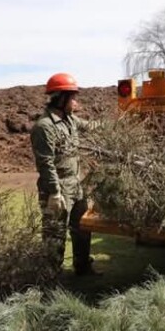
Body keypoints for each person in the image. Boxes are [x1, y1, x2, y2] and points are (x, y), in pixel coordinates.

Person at [30, 72, 100, 276]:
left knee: (82, 230)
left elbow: (91, 127)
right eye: (73, 97)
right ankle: (51, 276)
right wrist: (54, 193)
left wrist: (119, 124)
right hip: (58, 189)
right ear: (61, 98)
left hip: (76, 187)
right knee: (55, 235)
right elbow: (45, 163)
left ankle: (83, 267)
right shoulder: (44, 127)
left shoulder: (70, 120)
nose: (76, 101)